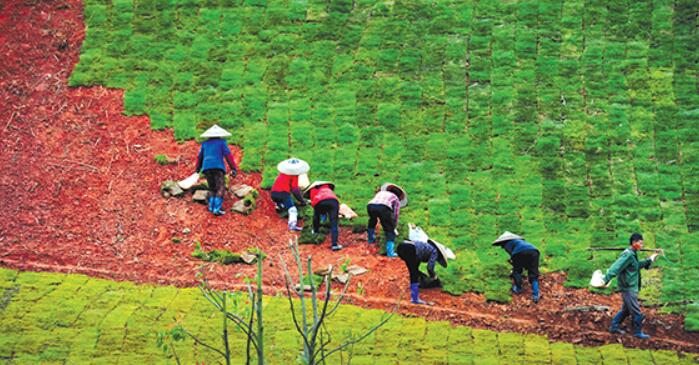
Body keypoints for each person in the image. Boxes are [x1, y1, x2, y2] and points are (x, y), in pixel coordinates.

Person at [603, 233, 663, 339]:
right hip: (628, 287)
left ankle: (614, 326)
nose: (642, 245)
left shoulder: (633, 254)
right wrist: (606, 278)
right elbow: (616, 267)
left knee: (626, 310)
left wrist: (652, 257)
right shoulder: (628, 255)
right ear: (634, 243)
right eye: (640, 243)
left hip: (631, 286)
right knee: (635, 310)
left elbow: (636, 266)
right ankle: (637, 332)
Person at [195, 125, 237, 216]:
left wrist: (197, 168)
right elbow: (228, 156)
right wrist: (233, 168)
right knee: (220, 187)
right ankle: (216, 209)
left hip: (206, 168)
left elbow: (200, 157)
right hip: (218, 167)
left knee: (212, 188)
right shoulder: (222, 142)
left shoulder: (204, 144)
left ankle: (211, 207)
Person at [397, 236, 454, 305]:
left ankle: (415, 293)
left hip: (401, 247)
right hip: (410, 249)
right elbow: (430, 267)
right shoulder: (435, 252)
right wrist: (434, 276)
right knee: (414, 273)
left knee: (414, 270)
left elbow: (418, 256)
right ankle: (415, 298)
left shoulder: (428, 247)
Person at [492, 231, 541, 303]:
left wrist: (513, 263)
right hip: (534, 252)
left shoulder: (507, 244)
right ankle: (536, 295)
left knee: (517, 271)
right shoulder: (519, 242)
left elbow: (513, 254)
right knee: (533, 274)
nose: (502, 247)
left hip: (519, 253)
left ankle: (518, 288)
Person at [367, 183, 407, 257]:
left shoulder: (381, 192)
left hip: (370, 206)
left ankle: (370, 239)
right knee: (389, 230)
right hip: (384, 208)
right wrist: (393, 226)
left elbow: (376, 203)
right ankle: (390, 252)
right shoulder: (395, 198)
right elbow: (396, 214)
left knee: (372, 220)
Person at [271, 158, 309, 231]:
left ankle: (280, 206)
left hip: (274, 194)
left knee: (282, 201)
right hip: (283, 193)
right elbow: (295, 190)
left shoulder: (282, 174)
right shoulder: (294, 176)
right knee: (292, 209)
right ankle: (292, 225)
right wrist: (302, 201)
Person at [304, 181, 342, 251]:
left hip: (320, 201)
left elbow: (313, 202)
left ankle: (315, 231)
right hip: (333, 201)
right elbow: (329, 199)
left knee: (316, 215)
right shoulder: (327, 188)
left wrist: (318, 211)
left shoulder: (313, 189)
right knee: (334, 223)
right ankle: (334, 245)